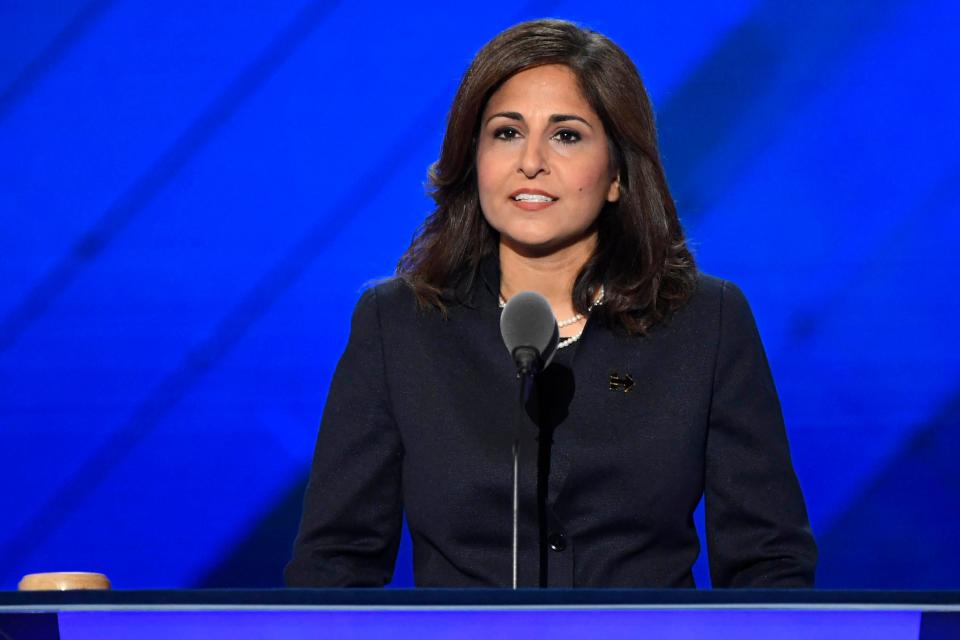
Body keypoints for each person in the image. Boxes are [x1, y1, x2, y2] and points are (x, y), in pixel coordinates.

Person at [285, 19, 817, 588]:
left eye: (566, 135)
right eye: (506, 133)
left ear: (616, 172)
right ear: (474, 159)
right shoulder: (397, 326)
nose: (530, 161)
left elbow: (770, 566)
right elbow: (334, 568)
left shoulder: (705, 323)